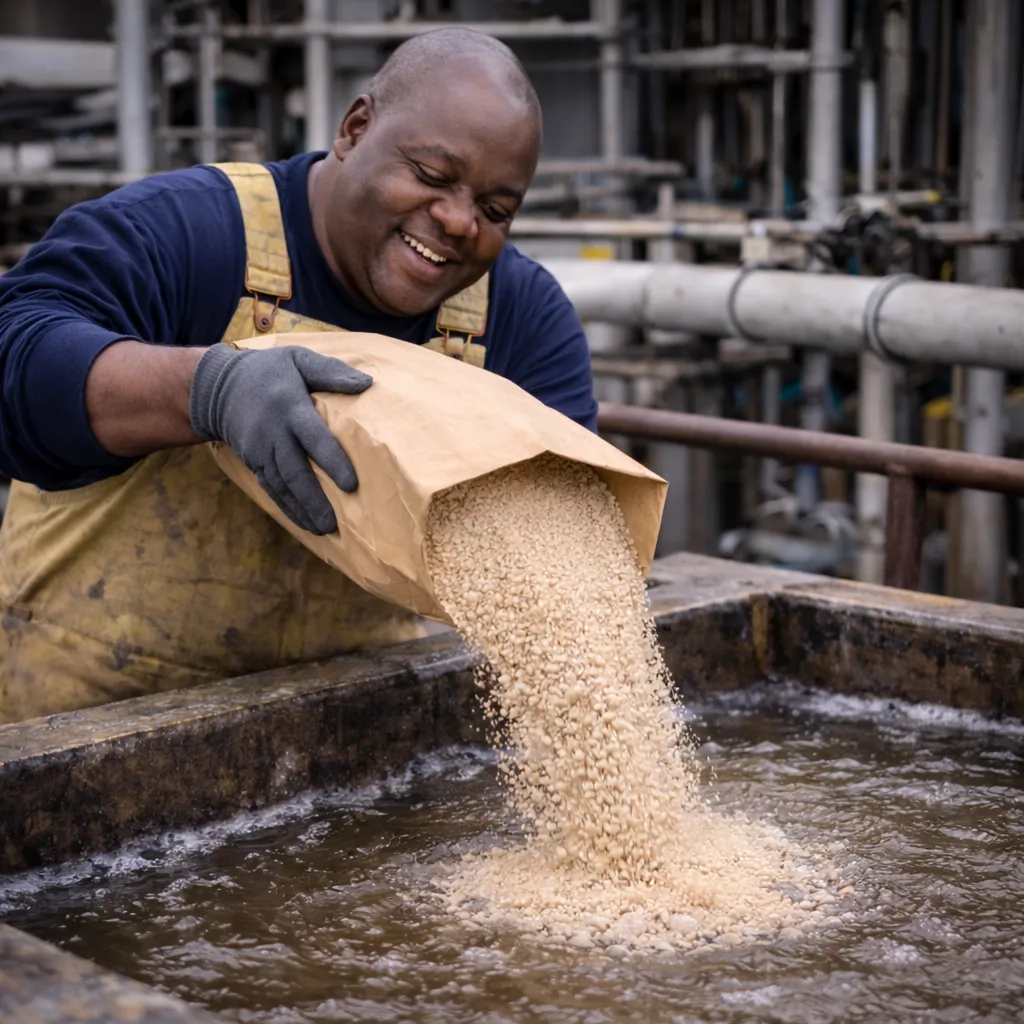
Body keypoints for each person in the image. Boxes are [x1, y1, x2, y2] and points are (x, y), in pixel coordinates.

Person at [0, 28, 597, 722]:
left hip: (343, 758)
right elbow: (18, 353)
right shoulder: (187, 232)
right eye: (432, 177)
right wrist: (207, 391)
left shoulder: (522, 319)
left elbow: (573, 541)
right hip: (86, 736)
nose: (460, 222)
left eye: (496, 210)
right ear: (355, 128)